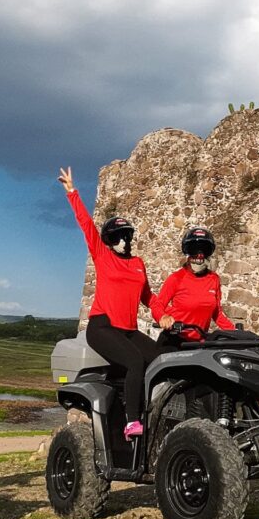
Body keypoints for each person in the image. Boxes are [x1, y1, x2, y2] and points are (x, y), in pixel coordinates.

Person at [58, 166, 162, 440]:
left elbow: (149, 298)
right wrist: (72, 192)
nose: (123, 241)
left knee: (161, 359)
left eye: (126, 236)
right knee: (135, 361)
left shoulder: (138, 264)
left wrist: (164, 315)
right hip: (102, 326)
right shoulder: (103, 256)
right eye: (117, 237)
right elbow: (86, 226)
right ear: (108, 241)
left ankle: (151, 409)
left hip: (127, 330)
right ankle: (132, 422)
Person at [154, 226, 236, 348]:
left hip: (199, 343)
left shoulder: (214, 279)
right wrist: (163, 317)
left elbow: (217, 313)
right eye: (194, 250)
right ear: (188, 252)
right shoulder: (176, 278)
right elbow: (158, 305)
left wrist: (235, 333)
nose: (199, 255)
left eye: (204, 250)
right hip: (175, 340)